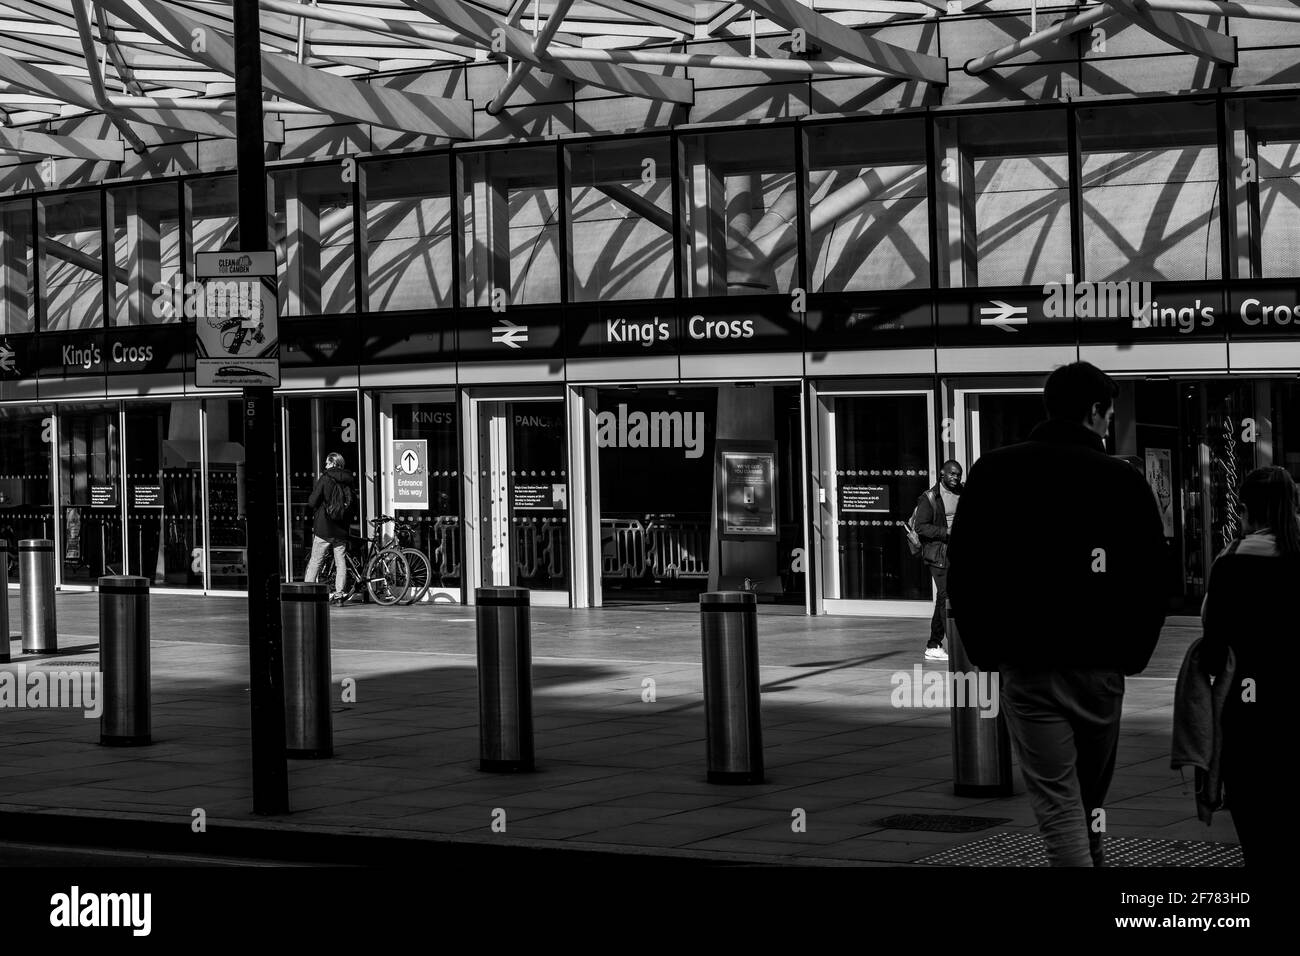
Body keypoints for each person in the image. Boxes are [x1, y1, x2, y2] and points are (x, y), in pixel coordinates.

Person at [946, 362, 1167, 866]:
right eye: (1109, 416)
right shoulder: (1121, 480)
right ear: (1093, 413)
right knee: (1086, 804)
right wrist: (1132, 653)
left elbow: (968, 568)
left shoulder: (996, 471)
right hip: (1101, 667)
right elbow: (1151, 576)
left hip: (1028, 663)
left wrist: (987, 650)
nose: (1109, 426)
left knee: (1059, 804)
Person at [1195, 465, 1294, 870]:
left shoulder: (1230, 563)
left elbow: (1214, 652)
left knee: (1257, 838)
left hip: (1248, 717)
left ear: (1246, 510)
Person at [913, 460, 963, 662]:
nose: (955, 478)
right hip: (938, 554)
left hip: (957, 552)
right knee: (946, 595)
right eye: (952, 474)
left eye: (958, 474)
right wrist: (946, 532)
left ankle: (933, 644)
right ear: (942, 473)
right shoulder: (930, 497)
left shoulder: (962, 492)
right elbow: (921, 527)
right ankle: (955, 647)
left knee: (944, 598)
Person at [304, 452, 355, 602]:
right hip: (340, 529)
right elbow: (354, 504)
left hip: (324, 528)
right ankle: (339, 595)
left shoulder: (325, 478)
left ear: (333, 463)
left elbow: (312, 501)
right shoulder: (349, 479)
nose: (325, 465)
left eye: (327, 463)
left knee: (316, 561)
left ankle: (307, 592)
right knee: (341, 562)